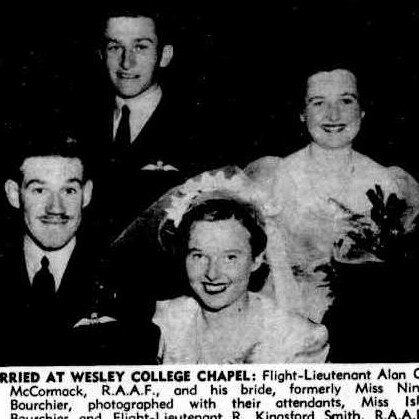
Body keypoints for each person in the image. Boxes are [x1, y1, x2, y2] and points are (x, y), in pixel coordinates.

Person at [245, 65, 419, 323]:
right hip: (282, 317)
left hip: (363, 319)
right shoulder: (273, 177)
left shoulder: (389, 183)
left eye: (346, 100)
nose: (333, 114)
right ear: (302, 113)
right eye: (318, 103)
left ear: (362, 110)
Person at [0, 134, 158, 365]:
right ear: (14, 194)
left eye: (69, 191)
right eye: (40, 191)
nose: (56, 207)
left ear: (87, 193)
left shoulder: (127, 275)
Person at [151, 171, 328, 364]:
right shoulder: (163, 321)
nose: (212, 273)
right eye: (199, 255)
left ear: (257, 259)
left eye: (230, 257)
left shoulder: (300, 339)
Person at [78, 3, 216, 238]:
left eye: (140, 47)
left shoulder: (200, 129)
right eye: (114, 47)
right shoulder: (77, 122)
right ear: (101, 54)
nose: (126, 63)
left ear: (164, 55)